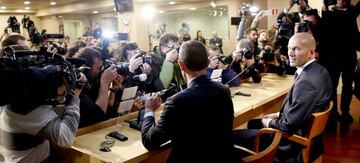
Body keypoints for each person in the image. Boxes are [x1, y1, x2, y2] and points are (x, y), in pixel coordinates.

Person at [234, 33, 332, 163]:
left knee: (232, 136)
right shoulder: (320, 71)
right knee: (253, 123)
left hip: (290, 142)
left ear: (311, 53)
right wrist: (278, 114)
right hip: (306, 132)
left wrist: (269, 123)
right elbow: (303, 107)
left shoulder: (307, 82)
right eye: (289, 48)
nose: (290, 53)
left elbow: (288, 126)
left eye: (296, 49)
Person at [141, 40, 237, 163]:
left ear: (181, 65)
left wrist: (149, 111)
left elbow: (150, 141)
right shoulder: (224, 90)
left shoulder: (177, 101)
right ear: (208, 63)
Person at [0, 53, 87, 162]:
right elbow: (66, 138)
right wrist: (75, 95)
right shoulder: (28, 111)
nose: (65, 90)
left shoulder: (17, 98)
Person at [320, 0, 360, 123]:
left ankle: (345, 112)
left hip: (349, 56)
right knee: (332, 86)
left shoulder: (352, 12)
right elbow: (325, 34)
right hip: (333, 58)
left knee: (347, 85)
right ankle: (333, 113)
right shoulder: (328, 13)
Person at [76, 47, 123, 127]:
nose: (103, 71)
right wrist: (104, 83)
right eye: (99, 68)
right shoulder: (78, 87)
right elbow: (98, 117)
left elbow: (108, 113)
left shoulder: (94, 82)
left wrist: (113, 88)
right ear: (85, 68)